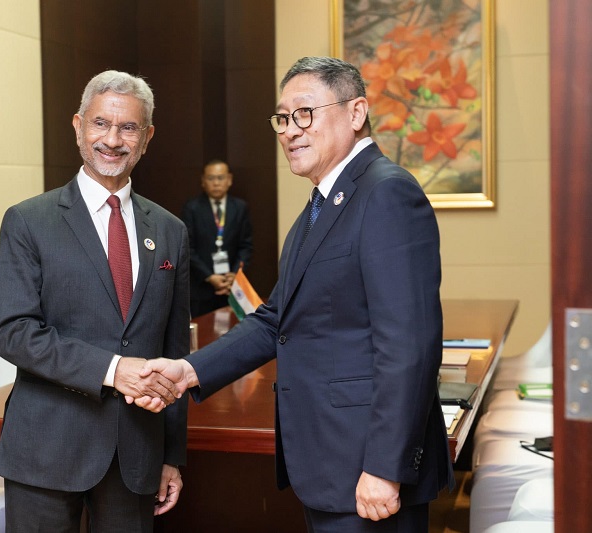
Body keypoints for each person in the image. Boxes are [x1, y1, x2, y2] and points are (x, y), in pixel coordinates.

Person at [137, 56, 454, 532]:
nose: (289, 130)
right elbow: (274, 320)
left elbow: (409, 346)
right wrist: (188, 370)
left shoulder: (386, 194)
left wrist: (386, 468)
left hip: (368, 470)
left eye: (304, 113)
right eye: (282, 118)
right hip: (329, 463)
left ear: (355, 112)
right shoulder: (321, 206)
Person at [0, 70, 189, 532]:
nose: (113, 140)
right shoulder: (28, 221)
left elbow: (174, 352)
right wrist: (112, 370)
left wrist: (171, 456)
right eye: (101, 124)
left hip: (136, 456)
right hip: (46, 449)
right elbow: (14, 333)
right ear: (78, 126)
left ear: (147, 137)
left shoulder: (170, 231)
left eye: (128, 128)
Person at [181, 159, 253, 317]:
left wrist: (234, 274)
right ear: (203, 181)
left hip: (232, 285)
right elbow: (187, 248)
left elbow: (245, 246)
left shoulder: (240, 207)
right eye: (211, 178)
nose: (216, 183)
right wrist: (209, 276)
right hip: (202, 286)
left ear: (229, 180)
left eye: (220, 178)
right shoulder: (192, 208)